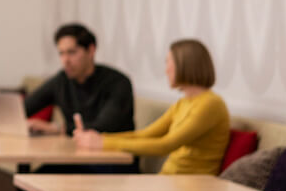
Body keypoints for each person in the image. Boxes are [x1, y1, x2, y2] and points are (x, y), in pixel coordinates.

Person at [17, 23, 136, 191]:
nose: (66, 60)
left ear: (91, 50)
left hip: (114, 168)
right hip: (79, 162)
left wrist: (58, 129)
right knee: (36, 185)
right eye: (61, 53)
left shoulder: (118, 83)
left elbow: (100, 127)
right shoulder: (62, 80)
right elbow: (24, 107)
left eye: (72, 52)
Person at [74, 38, 230, 175]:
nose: (166, 70)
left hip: (192, 186)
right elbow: (146, 134)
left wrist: (103, 143)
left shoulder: (211, 104)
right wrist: (100, 138)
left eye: (169, 62)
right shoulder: (183, 103)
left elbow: (165, 145)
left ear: (185, 65)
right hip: (171, 180)